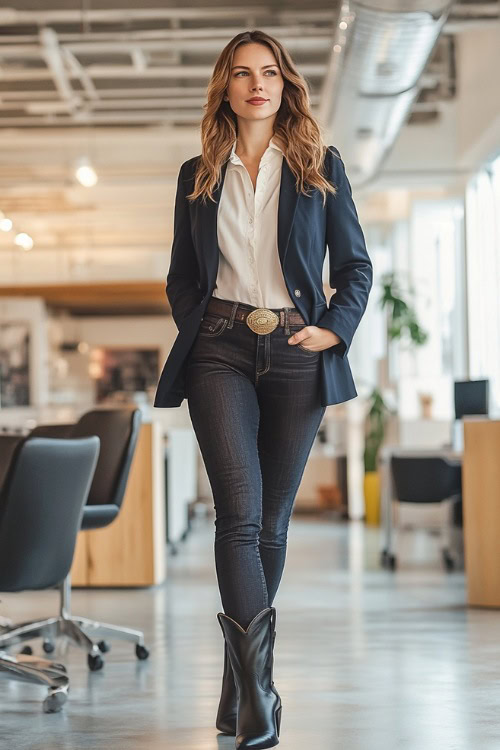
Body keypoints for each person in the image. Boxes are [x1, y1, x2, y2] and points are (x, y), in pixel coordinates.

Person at [154, 29, 373, 750]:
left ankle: (240, 683)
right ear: (225, 87)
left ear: (285, 85)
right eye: (242, 74)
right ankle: (259, 702)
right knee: (238, 516)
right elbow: (182, 275)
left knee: (273, 526)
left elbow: (357, 266)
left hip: (297, 352)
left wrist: (332, 329)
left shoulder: (318, 165)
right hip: (219, 350)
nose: (256, 84)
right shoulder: (197, 173)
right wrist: (204, 324)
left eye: (269, 73)